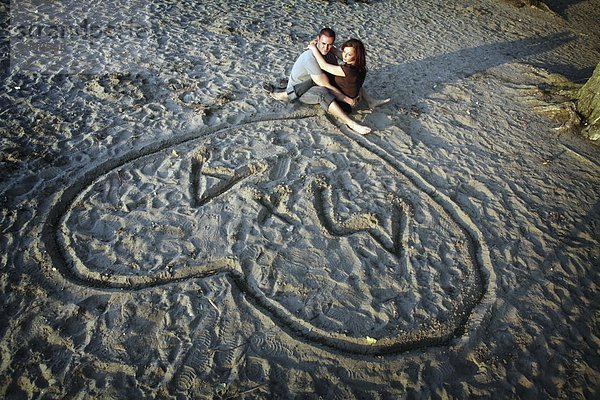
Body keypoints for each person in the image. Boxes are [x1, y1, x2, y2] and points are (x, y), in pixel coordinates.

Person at [271, 28, 372, 135]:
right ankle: (351, 123)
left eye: (330, 45)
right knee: (323, 93)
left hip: (319, 82)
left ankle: (370, 101)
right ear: (318, 39)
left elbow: (338, 64)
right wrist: (346, 99)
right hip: (302, 89)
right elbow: (325, 84)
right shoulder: (310, 57)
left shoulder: (329, 53)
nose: (326, 47)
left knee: (346, 79)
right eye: (323, 43)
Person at [307, 37, 390, 112]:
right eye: (344, 51)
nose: (345, 55)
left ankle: (369, 102)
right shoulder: (360, 65)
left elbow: (323, 65)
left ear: (356, 55)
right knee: (354, 81)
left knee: (324, 82)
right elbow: (338, 53)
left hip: (345, 104)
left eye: (349, 54)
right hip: (355, 96)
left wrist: (314, 48)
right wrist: (324, 43)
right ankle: (370, 101)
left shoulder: (347, 70)